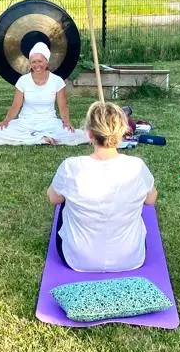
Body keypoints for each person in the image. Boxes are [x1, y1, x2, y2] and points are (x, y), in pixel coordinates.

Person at [47, 101, 157, 272]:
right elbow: (150, 199)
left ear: (89, 134)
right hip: (130, 257)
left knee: (63, 200)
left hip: (78, 258)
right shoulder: (137, 166)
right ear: (122, 132)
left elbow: (53, 197)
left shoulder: (71, 166)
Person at [0, 42, 89, 147]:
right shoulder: (23, 81)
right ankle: (40, 139)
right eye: (33, 62)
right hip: (26, 123)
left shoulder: (57, 81)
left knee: (70, 133)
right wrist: (6, 121)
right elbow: (16, 105)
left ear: (47, 62)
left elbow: (63, 106)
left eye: (40, 61)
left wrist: (66, 121)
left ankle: (36, 138)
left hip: (49, 122)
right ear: (30, 63)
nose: (37, 65)